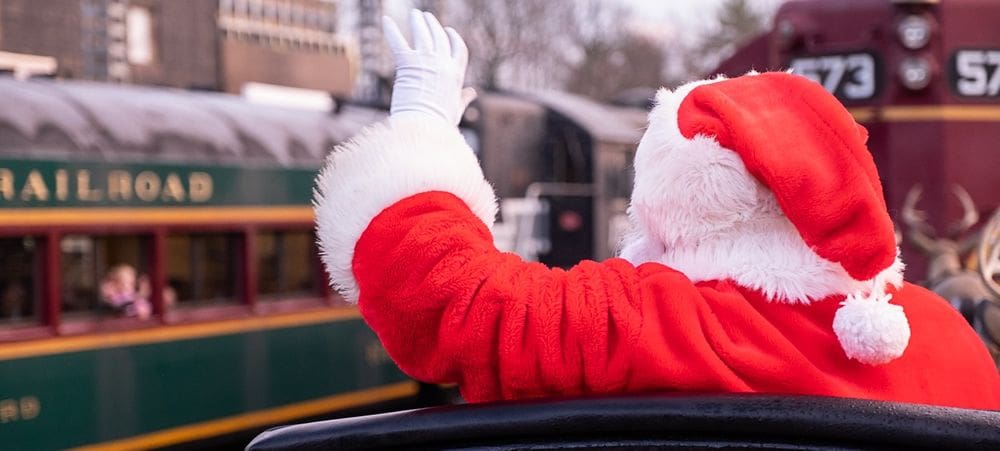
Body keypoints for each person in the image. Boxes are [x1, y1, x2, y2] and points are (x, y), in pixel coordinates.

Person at [313, 11, 1000, 408]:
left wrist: (424, 126)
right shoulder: (946, 341)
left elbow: (450, 302)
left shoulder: (651, 322)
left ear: (673, 199)